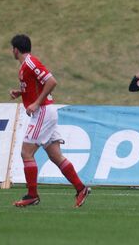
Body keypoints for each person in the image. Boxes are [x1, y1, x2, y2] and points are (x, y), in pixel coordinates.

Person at [8, 34, 91, 208]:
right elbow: (35, 86)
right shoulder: (25, 66)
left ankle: (32, 195)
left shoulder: (31, 63)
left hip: (43, 112)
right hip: (46, 112)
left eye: (12, 48)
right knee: (55, 155)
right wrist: (20, 93)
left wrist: (36, 103)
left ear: (16, 49)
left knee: (26, 152)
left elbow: (52, 81)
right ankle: (81, 188)